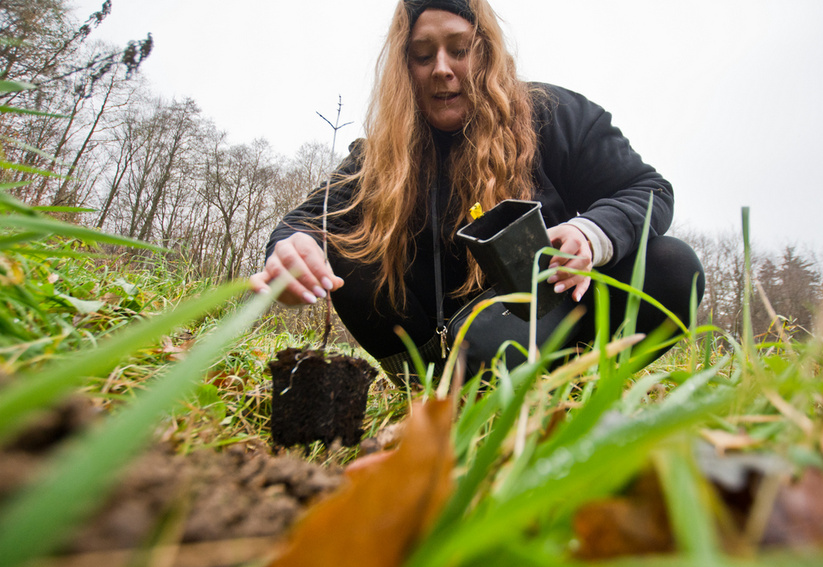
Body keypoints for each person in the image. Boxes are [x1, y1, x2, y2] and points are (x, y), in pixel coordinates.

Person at [250, 0, 704, 379]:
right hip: (421, 353)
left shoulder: (556, 115)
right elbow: (305, 222)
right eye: (423, 55)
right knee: (334, 237)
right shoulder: (380, 155)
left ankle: (569, 387)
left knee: (671, 265)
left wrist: (590, 234)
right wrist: (292, 254)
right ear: (405, 67)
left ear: (485, 51)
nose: (442, 70)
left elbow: (647, 189)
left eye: (459, 49)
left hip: (531, 330)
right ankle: (429, 389)